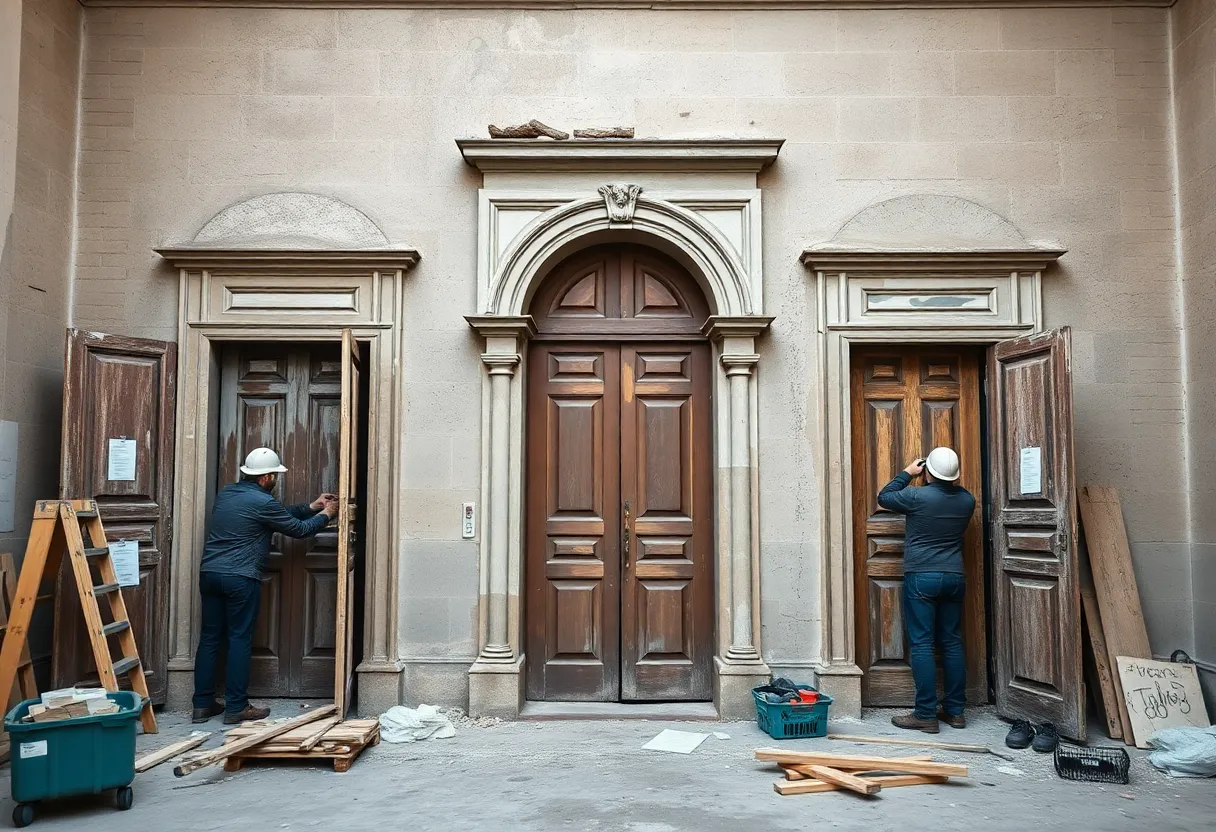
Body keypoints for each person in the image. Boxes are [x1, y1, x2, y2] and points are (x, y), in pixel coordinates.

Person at [192, 447, 337, 724]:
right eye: (274, 476)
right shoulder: (263, 502)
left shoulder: (227, 494)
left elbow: (280, 514)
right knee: (238, 639)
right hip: (240, 577)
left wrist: (312, 507)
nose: (275, 480)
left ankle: (202, 704)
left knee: (210, 638)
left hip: (210, 573)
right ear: (265, 477)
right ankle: (236, 707)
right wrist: (327, 514)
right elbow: (299, 530)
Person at [877, 446, 976, 734]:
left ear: (928, 470)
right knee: (951, 642)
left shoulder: (916, 495)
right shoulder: (966, 500)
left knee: (922, 643)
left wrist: (907, 473)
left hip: (922, 576)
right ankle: (956, 712)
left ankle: (925, 714)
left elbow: (884, 497)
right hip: (954, 576)